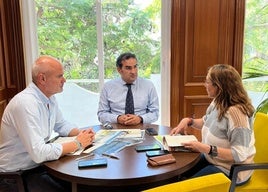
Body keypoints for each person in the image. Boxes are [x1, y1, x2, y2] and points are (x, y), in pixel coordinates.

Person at [0, 56, 95, 192]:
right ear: (42, 79)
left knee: (83, 185)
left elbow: (61, 125)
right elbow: (38, 153)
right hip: (15, 176)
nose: (64, 80)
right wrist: (78, 143)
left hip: (37, 167)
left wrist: (82, 134)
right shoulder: (25, 103)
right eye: (59, 76)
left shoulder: (49, 98)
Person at [170, 64, 255, 185]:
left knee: (184, 186)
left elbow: (239, 154)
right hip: (213, 159)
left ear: (219, 86)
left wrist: (204, 148)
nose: (205, 85)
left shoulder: (237, 114)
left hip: (231, 170)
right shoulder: (218, 101)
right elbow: (206, 121)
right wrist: (189, 121)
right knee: (176, 174)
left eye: (207, 81)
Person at [97, 52, 159, 126]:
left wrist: (140, 118)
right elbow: (101, 114)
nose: (133, 71)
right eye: (128, 68)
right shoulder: (108, 87)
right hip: (115, 129)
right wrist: (117, 118)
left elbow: (155, 113)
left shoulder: (148, 85)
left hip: (142, 128)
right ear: (119, 70)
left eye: (135, 67)